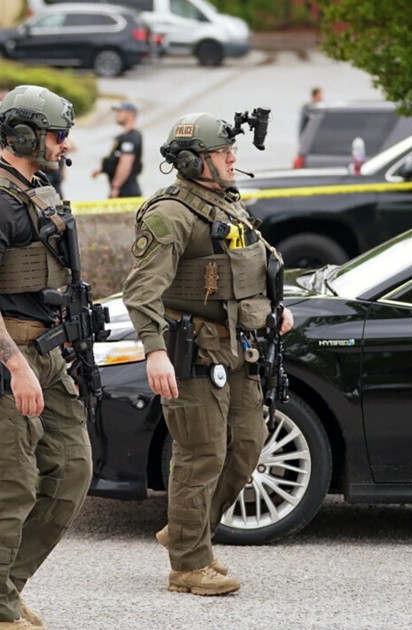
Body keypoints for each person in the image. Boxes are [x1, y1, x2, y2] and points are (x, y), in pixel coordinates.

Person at [121, 112, 293, 597]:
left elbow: (252, 269)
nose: (233, 158)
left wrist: (275, 310)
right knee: (202, 456)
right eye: (222, 153)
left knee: (247, 446)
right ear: (195, 161)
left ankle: (184, 531)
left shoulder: (226, 206)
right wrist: (154, 353)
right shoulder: (170, 214)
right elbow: (141, 292)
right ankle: (189, 563)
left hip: (240, 348)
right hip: (193, 352)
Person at [0, 84, 92, 630]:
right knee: (10, 485)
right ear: (24, 136)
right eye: (58, 134)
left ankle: (2, 580)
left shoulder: (36, 191)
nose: (66, 144)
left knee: (74, 470)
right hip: (12, 356)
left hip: (50, 351)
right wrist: (16, 365)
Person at [92, 101, 143, 198]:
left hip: (127, 192)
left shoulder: (131, 137)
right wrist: (102, 169)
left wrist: (116, 187)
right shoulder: (124, 136)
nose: (116, 115)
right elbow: (116, 160)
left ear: (130, 114)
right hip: (123, 190)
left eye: (120, 111)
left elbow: (126, 163)